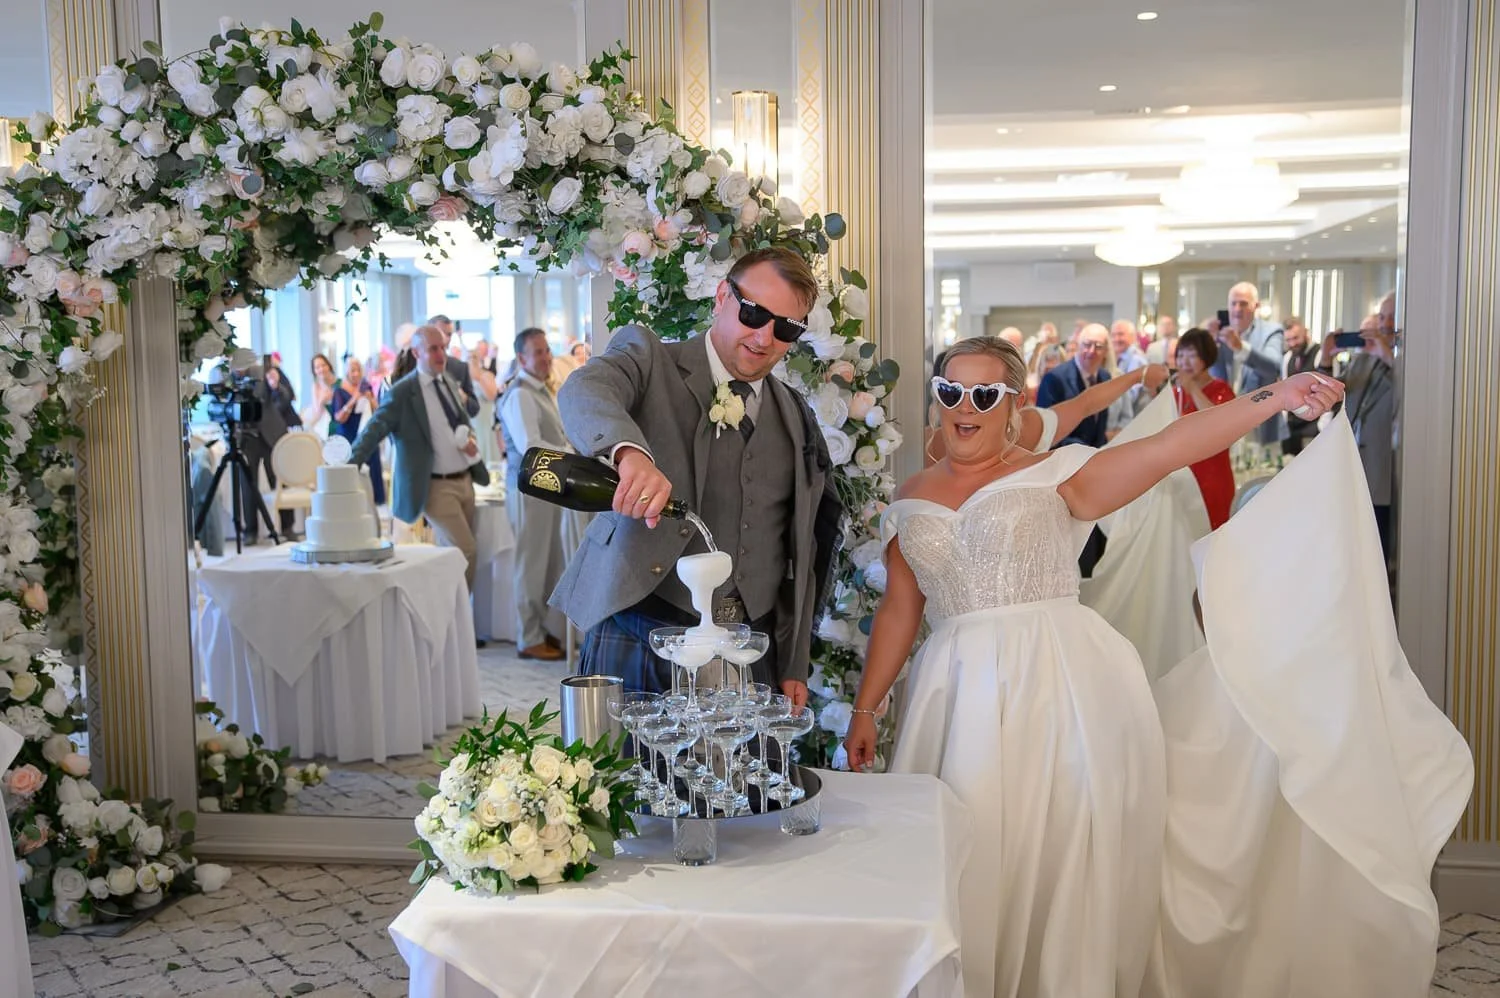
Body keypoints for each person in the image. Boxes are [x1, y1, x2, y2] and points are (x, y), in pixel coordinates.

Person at [841, 336, 1450, 997]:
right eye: (951, 391)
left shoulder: (1057, 473)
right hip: (952, 695)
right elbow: (901, 609)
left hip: (1057, 686)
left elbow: (1170, 448)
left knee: (1055, 848)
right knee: (963, 847)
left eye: (984, 393)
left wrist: (1278, 394)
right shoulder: (914, 492)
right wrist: (866, 708)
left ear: (1012, 404)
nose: (965, 406)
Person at [549, 247, 839, 703]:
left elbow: (804, 547)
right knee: (625, 772)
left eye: (785, 328)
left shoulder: (795, 414)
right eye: (754, 313)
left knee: (739, 776)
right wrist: (629, 453)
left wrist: (794, 660)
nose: (764, 338)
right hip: (642, 624)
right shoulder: (649, 359)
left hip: (749, 645)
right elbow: (584, 390)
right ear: (723, 296)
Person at [349, 325, 490, 595]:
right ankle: (453, 617)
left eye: (442, 348)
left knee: (449, 556)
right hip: (435, 487)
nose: (441, 354)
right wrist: (347, 464)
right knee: (467, 551)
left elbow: (458, 422)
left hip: (464, 480)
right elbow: (374, 430)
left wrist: (469, 443)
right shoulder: (403, 391)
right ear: (416, 352)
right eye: (433, 349)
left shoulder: (447, 380)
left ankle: (446, 622)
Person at [497, 328, 569, 661]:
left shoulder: (541, 391)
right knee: (531, 563)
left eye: (547, 350)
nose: (545, 357)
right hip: (529, 488)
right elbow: (531, 446)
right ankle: (528, 636)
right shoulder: (521, 394)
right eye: (537, 352)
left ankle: (542, 629)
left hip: (546, 488)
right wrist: (570, 453)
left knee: (547, 561)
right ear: (521, 358)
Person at [1172, 328, 1236, 528]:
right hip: (1182, 479)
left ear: (1206, 356)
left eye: (1192, 355)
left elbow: (1217, 425)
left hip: (1213, 477)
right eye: (1181, 355)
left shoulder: (1221, 390)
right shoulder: (1175, 393)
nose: (1185, 362)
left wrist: (1192, 388)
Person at [330, 356, 385, 507]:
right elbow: (339, 417)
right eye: (352, 370)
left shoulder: (366, 387)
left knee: (373, 465)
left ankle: (376, 502)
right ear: (347, 372)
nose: (355, 374)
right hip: (348, 436)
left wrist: (370, 399)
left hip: (367, 436)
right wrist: (354, 399)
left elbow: (379, 411)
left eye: (358, 370)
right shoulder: (339, 391)